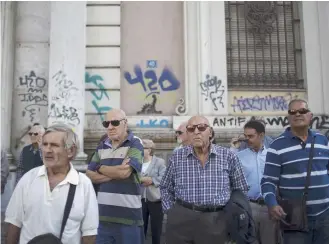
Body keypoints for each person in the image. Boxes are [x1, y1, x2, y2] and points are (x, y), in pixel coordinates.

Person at [5, 122, 99, 244]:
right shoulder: (28, 179)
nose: (47, 150)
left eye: (54, 145)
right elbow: (13, 224)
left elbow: (89, 234)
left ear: (70, 151)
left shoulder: (83, 184)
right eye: (44, 144)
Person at [160, 115, 249, 244]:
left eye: (201, 128)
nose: (196, 132)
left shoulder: (228, 156)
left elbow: (241, 189)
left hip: (216, 220)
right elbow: (165, 187)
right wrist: (171, 211)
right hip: (181, 220)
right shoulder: (177, 156)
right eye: (191, 129)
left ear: (210, 132)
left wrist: (231, 217)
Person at [261, 99, 329, 244]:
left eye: (302, 111)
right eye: (293, 112)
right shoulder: (277, 146)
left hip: (325, 218)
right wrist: (272, 203)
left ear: (310, 116)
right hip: (294, 219)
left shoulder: (323, 141)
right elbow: (268, 181)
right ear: (288, 117)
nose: (297, 114)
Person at [86, 109, 144, 244]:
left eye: (115, 122)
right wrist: (115, 173)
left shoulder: (135, 143)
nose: (110, 127)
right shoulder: (102, 145)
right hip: (102, 219)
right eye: (106, 123)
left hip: (129, 220)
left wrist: (100, 168)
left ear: (125, 123)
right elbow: (89, 174)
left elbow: (124, 173)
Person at [237, 120, 280, 244]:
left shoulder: (273, 156)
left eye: (250, 136)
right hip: (248, 207)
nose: (247, 139)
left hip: (270, 207)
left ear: (261, 135)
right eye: (245, 136)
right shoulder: (239, 157)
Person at [140, 139, 166, 244]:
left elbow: (164, 177)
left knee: (156, 229)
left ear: (150, 150)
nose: (141, 150)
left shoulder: (159, 162)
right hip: (141, 199)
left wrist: (152, 181)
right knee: (141, 228)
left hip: (156, 199)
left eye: (143, 148)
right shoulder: (137, 162)